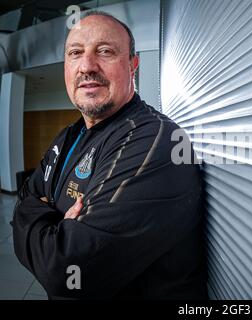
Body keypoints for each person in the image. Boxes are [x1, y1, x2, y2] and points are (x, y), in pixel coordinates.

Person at [11, 11, 207, 300]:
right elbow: (26, 194)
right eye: (75, 52)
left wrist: (35, 212)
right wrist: (47, 219)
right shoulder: (68, 135)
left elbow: (67, 269)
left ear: (133, 65)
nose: (87, 66)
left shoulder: (157, 141)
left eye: (105, 51)